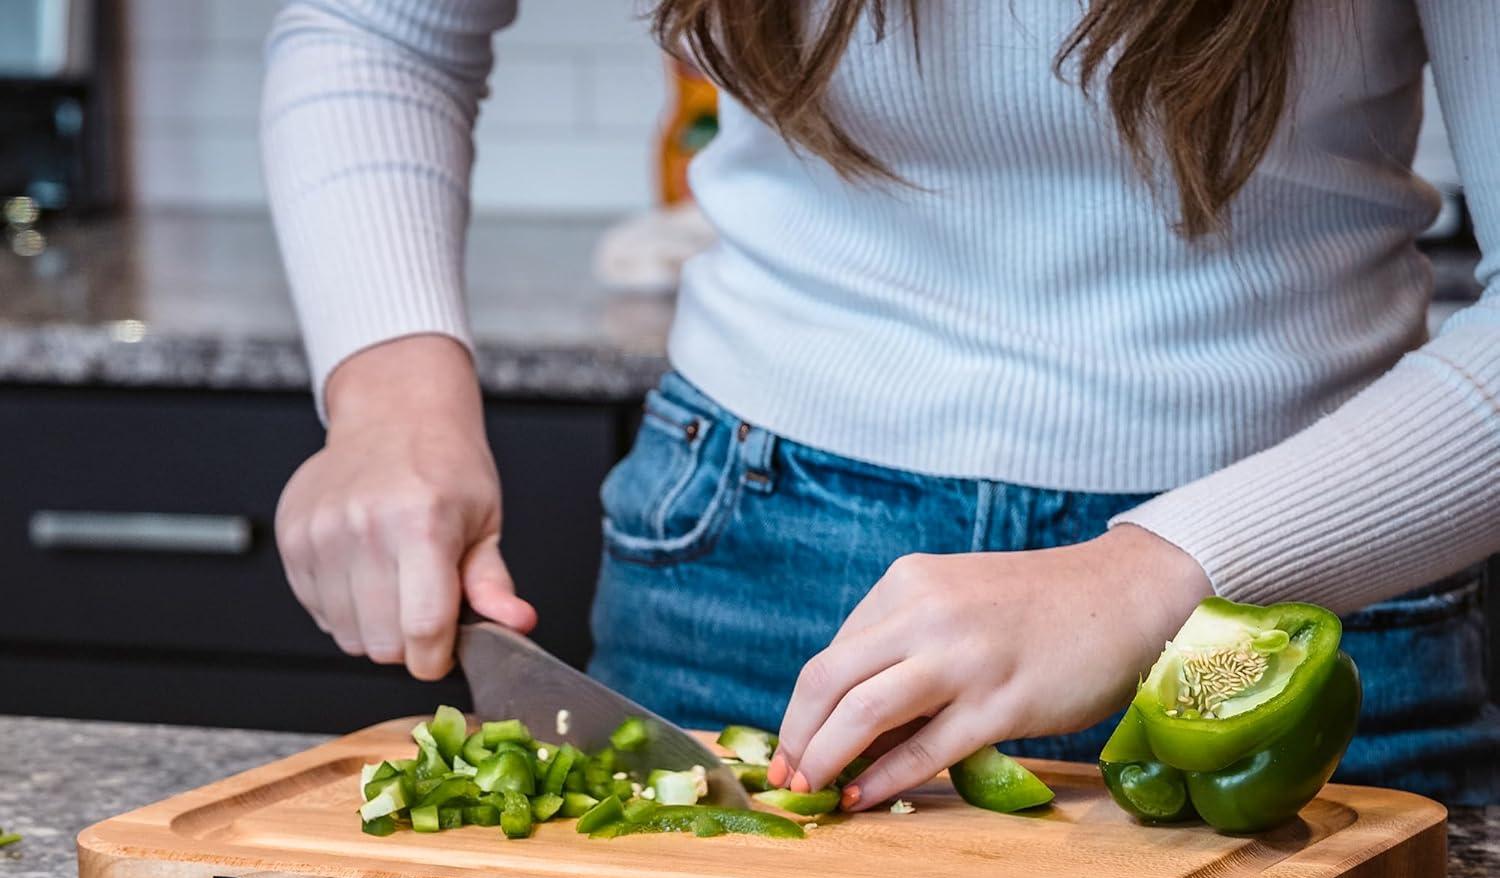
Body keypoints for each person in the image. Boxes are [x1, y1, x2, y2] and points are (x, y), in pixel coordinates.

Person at [262, 0, 1500, 810]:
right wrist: (389, 395)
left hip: (1293, 604)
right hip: (745, 567)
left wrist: (1153, 575)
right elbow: (377, 29)